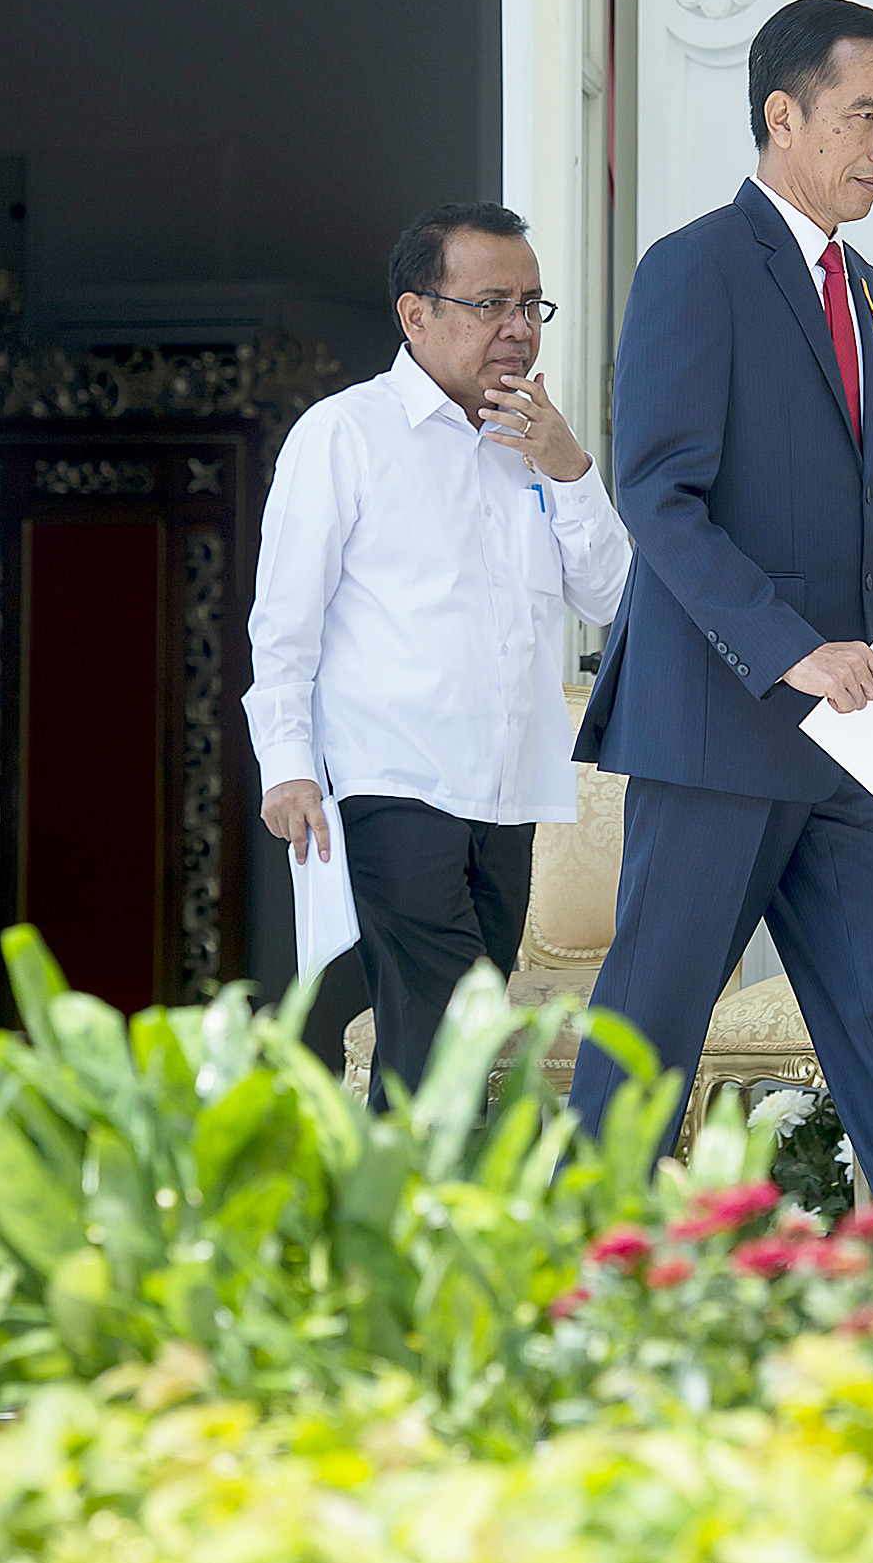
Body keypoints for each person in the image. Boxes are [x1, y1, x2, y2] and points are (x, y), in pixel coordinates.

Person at [565, 0, 873, 1206]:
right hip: (718, 724)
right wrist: (791, 649)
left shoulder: (864, 288)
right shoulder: (691, 267)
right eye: (865, 116)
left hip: (851, 742)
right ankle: (568, 1282)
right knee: (651, 1026)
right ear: (781, 114)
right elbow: (659, 495)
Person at [244, 202, 630, 1105]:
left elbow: (615, 598)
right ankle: (436, 1221)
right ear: (416, 315)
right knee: (457, 1019)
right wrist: (287, 766)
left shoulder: (535, 442)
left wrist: (569, 468)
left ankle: (392, 1216)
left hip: (509, 786)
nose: (518, 328)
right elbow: (283, 623)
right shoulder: (344, 434)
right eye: (492, 302)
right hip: (393, 781)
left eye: (532, 305)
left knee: (445, 1036)